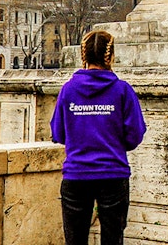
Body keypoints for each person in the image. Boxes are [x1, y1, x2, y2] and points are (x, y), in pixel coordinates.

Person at [52, 30, 146, 245]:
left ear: (83, 56)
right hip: (113, 173)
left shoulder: (68, 90)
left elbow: (58, 133)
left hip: (77, 173)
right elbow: (134, 136)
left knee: (75, 240)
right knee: (113, 239)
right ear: (111, 56)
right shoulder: (122, 91)